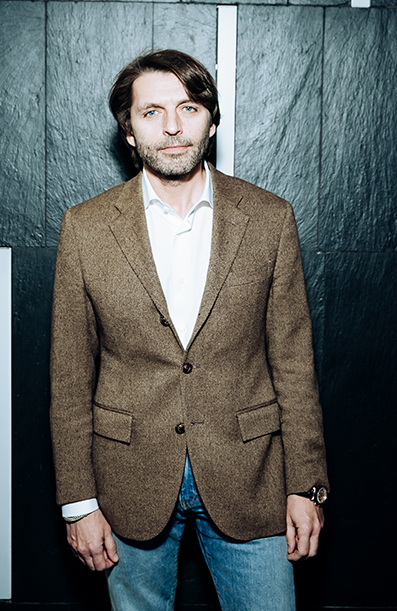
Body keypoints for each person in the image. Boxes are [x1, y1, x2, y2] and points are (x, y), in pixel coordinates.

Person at [50, 49, 329, 611]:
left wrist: (307, 485)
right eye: (152, 112)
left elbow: (294, 365)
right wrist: (78, 503)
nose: (173, 126)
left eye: (189, 107)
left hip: (251, 475)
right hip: (128, 478)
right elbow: (69, 376)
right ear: (129, 131)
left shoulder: (270, 218)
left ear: (211, 120)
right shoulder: (85, 228)